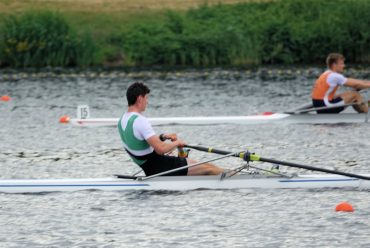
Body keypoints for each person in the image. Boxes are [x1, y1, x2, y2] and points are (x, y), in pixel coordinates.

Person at [118, 82, 224, 177]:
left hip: (150, 168)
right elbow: (160, 149)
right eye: (146, 98)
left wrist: (163, 137)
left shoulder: (122, 120)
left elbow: (141, 143)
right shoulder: (140, 120)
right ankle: (235, 178)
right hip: (162, 167)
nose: (147, 102)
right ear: (140, 99)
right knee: (209, 168)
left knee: (205, 168)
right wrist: (178, 143)